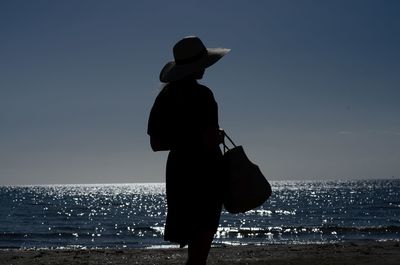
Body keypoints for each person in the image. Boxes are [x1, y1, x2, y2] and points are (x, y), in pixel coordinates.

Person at [147, 36, 230, 265]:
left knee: (195, 242)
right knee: (201, 245)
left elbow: (156, 143)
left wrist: (189, 139)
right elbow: (206, 140)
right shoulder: (203, 96)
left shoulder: (164, 97)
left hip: (179, 172)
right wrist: (205, 137)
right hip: (204, 171)